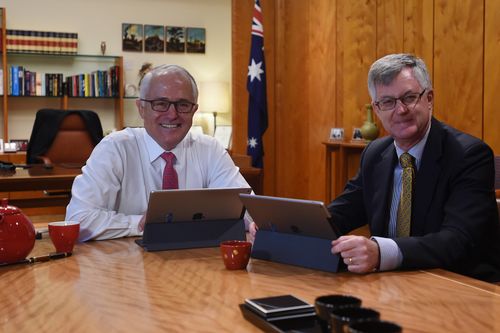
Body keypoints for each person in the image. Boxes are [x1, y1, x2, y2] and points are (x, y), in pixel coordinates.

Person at [329, 53, 500, 282]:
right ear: (377, 110)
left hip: (457, 285)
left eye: (409, 97)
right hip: (390, 284)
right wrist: (280, 226)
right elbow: (340, 215)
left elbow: (458, 240)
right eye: (388, 102)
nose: (400, 110)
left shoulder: (469, 156)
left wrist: (380, 253)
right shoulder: (375, 154)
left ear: (429, 99)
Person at [66, 64, 252, 241]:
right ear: (141, 108)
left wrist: (251, 223)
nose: (172, 114)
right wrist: (139, 224)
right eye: (161, 104)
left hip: (194, 262)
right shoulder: (115, 148)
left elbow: (247, 210)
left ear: (194, 109)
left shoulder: (210, 149)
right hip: (125, 264)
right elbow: (78, 220)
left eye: (183, 104)